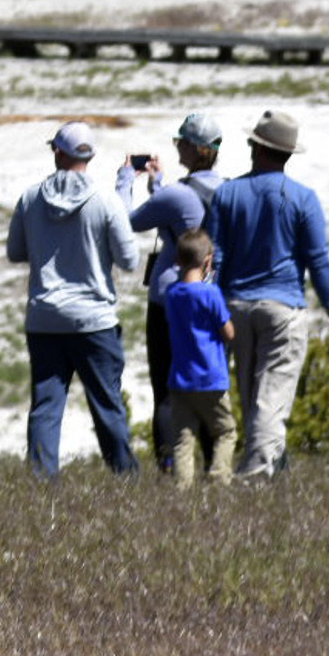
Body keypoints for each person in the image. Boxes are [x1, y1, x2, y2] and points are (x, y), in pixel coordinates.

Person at [209, 110, 329, 478]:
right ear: (288, 153)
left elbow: (216, 257)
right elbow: (318, 261)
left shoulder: (227, 193)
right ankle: (255, 477)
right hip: (283, 305)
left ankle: (275, 476)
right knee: (271, 400)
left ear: (256, 146)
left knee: (252, 397)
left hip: (235, 306)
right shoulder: (303, 198)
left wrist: (213, 306)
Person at [3, 121, 139, 478]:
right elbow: (129, 260)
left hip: (45, 317)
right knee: (107, 404)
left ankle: (41, 481)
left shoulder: (31, 197)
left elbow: (15, 251)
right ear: (90, 156)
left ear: (58, 153)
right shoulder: (106, 199)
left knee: (46, 407)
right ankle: (125, 478)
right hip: (94, 318)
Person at [117, 111, 223, 474]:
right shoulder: (224, 190)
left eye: (181, 141)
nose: (176, 145)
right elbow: (180, 214)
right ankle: (213, 463)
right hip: (211, 295)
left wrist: (125, 178)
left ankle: (168, 461)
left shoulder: (178, 194)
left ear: (194, 149)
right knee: (207, 382)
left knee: (166, 384)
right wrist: (158, 182)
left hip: (170, 298)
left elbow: (126, 219)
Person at [159, 227, 237, 482]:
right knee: (225, 432)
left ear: (178, 261)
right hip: (211, 378)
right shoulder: (210, 293)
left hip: (181, 378)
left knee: (183, 438)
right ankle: (218, 476)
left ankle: (182, 488)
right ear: (208, 261)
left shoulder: (172, 294)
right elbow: (228, 333)